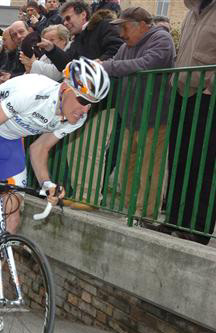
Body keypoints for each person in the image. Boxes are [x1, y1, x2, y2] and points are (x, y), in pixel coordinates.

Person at [0, 58, 110, 331]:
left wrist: (48, 184)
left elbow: (39, 150)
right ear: (65, 89)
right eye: (83, 100)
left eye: (93, 104)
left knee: (11, 222)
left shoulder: (77, 117)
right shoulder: (33, 94)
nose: (86, 109)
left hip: (12, 145)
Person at [100, 6, 175, 218]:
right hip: (131, 118)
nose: (121, 34)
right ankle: (130, 210)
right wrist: (103, 65)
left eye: (124, 28)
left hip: (154, 117)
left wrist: (108, 66)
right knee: (127, 167)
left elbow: (146, 64)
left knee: (149, 170)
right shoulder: (127, 45)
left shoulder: (161, 39)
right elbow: (115, 63)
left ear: (142, 25)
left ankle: (145, 214)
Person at [164, 0, 216, 244]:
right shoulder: (191, 13)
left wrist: (211, 85)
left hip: (207, 97)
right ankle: (173, 220)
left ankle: (198, 228)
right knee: (178, 159)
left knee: (203, 164)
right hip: (182, 93)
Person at [38, 1, 122, 72]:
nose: (65, 23)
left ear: (83, 15)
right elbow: (66, 64)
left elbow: (117, 49)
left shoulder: (104, 25)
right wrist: (51, 48)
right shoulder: (78, 37)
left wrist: (95, 65)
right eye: (64, 20)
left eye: (68, 18)